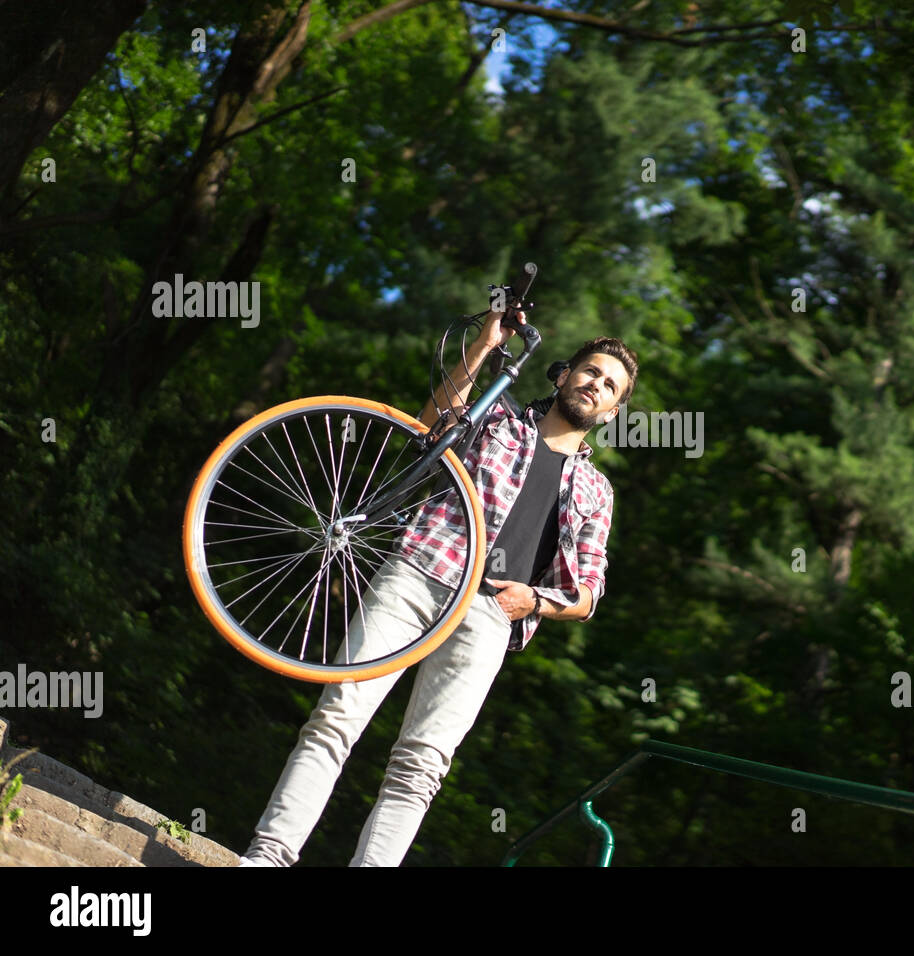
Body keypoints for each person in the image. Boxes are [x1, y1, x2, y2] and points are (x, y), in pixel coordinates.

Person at [237, 307, 638, 866]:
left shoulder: (597, 491)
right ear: (564, 373)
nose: (596, 384)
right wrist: (482, 347)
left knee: (421, 765)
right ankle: (267, 858)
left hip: (492, 617)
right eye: (590, 371)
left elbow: (589, 590)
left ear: (614, 410)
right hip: (420, 574)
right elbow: (430, 421)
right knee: (337, 715)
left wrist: (535, 601)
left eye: (610, 385)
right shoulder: (495, 420)